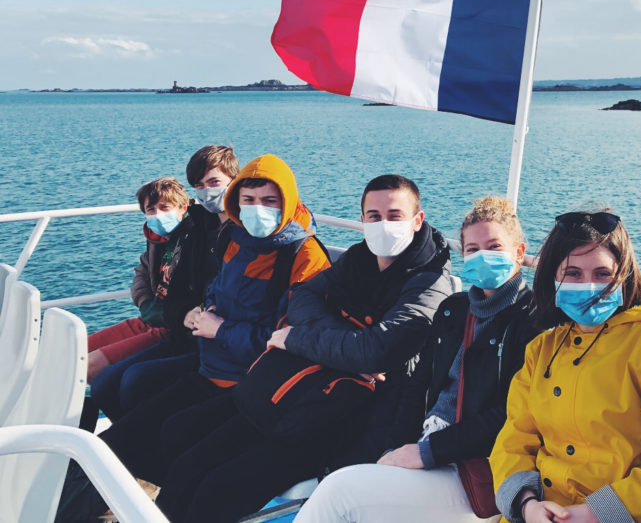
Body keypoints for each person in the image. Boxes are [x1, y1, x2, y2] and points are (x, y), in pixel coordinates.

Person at [151, 174, 456, 523]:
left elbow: (377, 352)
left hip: (351, 415)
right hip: (298, 388)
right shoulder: (359, 260)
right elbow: (301, 297)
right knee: (185, 449)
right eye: (374, 216)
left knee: (216, 489)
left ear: (417, 220)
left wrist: (299, 339)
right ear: (362, 220)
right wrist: (346, 345)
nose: (383, 224)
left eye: (395, 215)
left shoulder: (431, 284)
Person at [57, 153, 330, 523]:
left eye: (270, 201)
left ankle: (132, 506)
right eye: (249, 201)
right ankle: (71, 507)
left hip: (248, 383)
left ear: (288, 202)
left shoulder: (305, 256)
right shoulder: (235, 238)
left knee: (166, 447)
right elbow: (216, 289)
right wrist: (206, 313)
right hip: (210, 367)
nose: (258, 210)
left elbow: (292, 342)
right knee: (115, 440)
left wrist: (220, 329)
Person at [295, 195, 539, 523]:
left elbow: (510, 414)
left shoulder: (533, 321)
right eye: (472, 250)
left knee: (341, 493)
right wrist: (393, 449)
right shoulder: (454, 310)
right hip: (427, 450)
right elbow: (417, 386)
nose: (483, 257)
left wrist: (426, 453)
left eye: (495, 247)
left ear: (520, 253)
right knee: (343, 475)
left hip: (475, 467)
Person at [490, 209, 641, 523]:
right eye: (573, 274)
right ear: (553, 276)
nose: (588, 285)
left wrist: (598, 512)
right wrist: (527, 505)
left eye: (603, 274)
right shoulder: (542, 350)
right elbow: (514, 438)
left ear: (624, 275)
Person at [88, 145, 239, 419]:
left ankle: (126, 439)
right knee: (85, 361)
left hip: (190, 330)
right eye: (199, 185)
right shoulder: (177, 237)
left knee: (120, 377)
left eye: (214, 182)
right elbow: (144, 275)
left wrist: (180, 314)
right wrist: (150, 304)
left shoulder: (206, 233)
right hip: (172, 320)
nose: (207, 191)